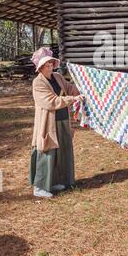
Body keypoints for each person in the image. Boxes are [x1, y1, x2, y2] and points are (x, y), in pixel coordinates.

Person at [29, 47, 83, 198]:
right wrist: (72, 99)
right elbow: (50, 102)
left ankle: (56, 181)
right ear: (40, 67)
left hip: (62, 120)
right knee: (47, 151)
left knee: (62, 151)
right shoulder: (38, 83)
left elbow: (70, 88)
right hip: (47, 123)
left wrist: (84, 87)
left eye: (51, 64)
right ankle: (39, 187)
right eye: (46, 65)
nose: (50, 67)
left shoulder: (57, 77)